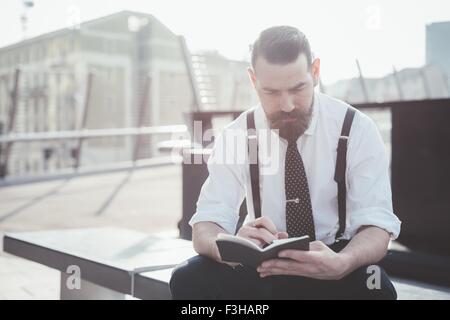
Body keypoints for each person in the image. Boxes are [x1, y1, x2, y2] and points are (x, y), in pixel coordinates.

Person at [170, 26, 401, 300]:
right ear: (253, 80)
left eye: (298, 88)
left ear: (315, 72)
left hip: (333, 260)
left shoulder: (357, 129)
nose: (287, 104)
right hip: (261, 266)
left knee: (376, 288)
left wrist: (344, 263)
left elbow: (376, 226)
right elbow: (206, 225)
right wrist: (229, 247)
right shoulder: (237, 134)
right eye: (272, 92)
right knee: (187, 278)